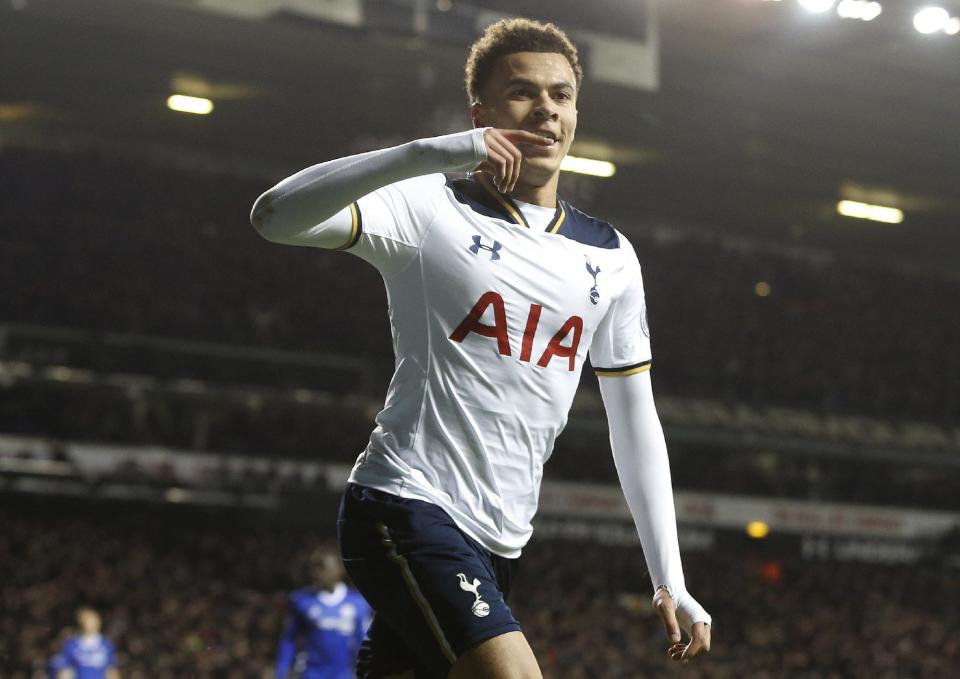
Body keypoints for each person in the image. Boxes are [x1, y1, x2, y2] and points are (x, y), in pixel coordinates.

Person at [251, 17, 712, 678]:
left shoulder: (610, 257)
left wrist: (669, 574)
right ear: (482, 113)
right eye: (523, 92)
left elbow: (634, 418)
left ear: (576, 113)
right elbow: (274, 216)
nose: (545, 108)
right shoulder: (427, 209)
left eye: (560, 94)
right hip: (405, 504)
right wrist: (429, 153)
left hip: (502, 541)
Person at [276, 546, 372, 679]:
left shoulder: (357, 603)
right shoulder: (301, 600)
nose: (316, 573)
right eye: (313, 568)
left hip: (343, 675)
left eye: (322, 567)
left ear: (338, 569)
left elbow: (363, 641)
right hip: (310, 674)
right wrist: (281, 671)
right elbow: (289, 638)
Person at [56, 606, 120, 679]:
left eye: (93, 619)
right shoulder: (72, 645)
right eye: (87, 620)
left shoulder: (106, 645)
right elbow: (65, 671)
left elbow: (111, 671)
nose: (90, 623)